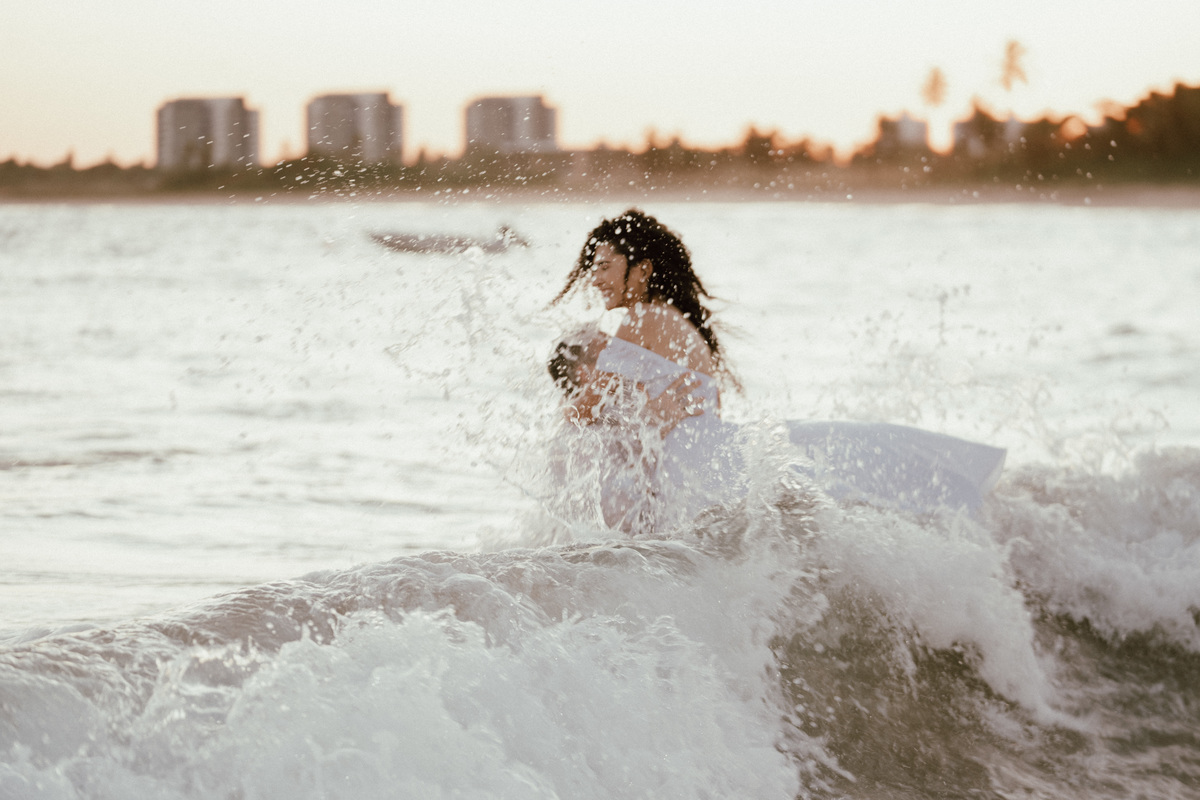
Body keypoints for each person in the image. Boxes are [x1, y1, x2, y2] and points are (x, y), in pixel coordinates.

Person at [549, 209, 1006, 534]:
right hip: (712, 455)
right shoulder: (681, 326)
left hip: (692, 467)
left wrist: (551, 438)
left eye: (605, 266)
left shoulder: (641, 318)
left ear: (642, 270)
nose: (595, 278)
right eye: (593, 268)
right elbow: (697, 409)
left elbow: (586, 408)